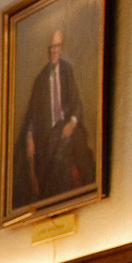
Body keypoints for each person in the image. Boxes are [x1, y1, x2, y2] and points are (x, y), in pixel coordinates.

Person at [16, 28, 95, 207]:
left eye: (57, 46)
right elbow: (32, 114)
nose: (54, 50)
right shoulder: (41, 80)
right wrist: (30, 136)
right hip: (46, 134)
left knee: (73, 154)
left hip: (68, 128)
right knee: (48, 160)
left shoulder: (67, 71)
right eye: (52, 47)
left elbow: (76, 103)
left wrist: (72, 123)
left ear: (61, 48)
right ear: (48, 49)